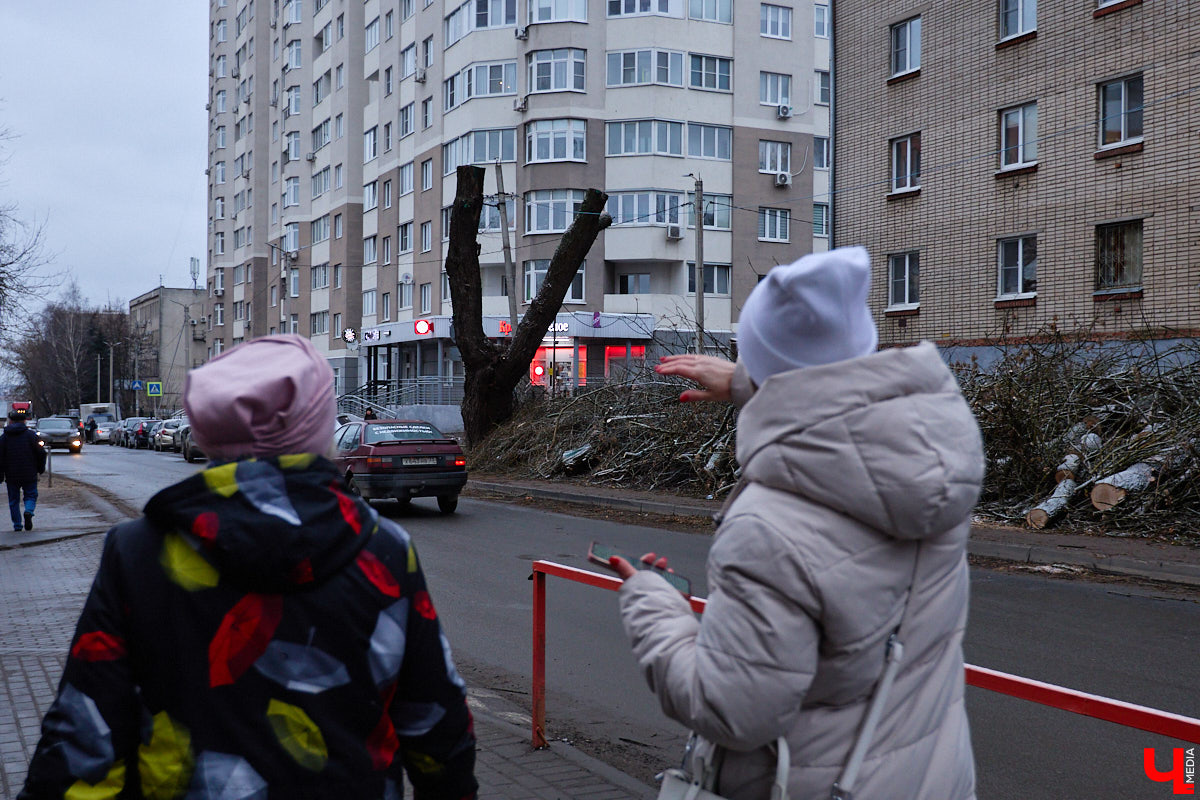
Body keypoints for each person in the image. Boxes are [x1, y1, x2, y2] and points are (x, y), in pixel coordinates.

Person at [21, 335, 477, 800]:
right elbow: (439, 730)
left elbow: (83, 741)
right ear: (319, 429)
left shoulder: (139, 551)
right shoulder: (383, 551)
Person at [612, 247, 983, 800]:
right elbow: (832, 399)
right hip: (931, 776)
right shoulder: (933, 455)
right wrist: (750, 379)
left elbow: (732, 711)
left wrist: (652, 606)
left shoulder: (768, 528)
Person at [0, 409, 47, 532]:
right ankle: (28, 511)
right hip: (29, 472)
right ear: (25, 421)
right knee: (31, 495)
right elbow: (41, 453)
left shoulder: (4, 438)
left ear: (10, 421)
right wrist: (40, 469)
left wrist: (1, 474)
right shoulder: (31, 436)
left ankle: (17, 525)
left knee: (13, 500)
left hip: (11, 474)